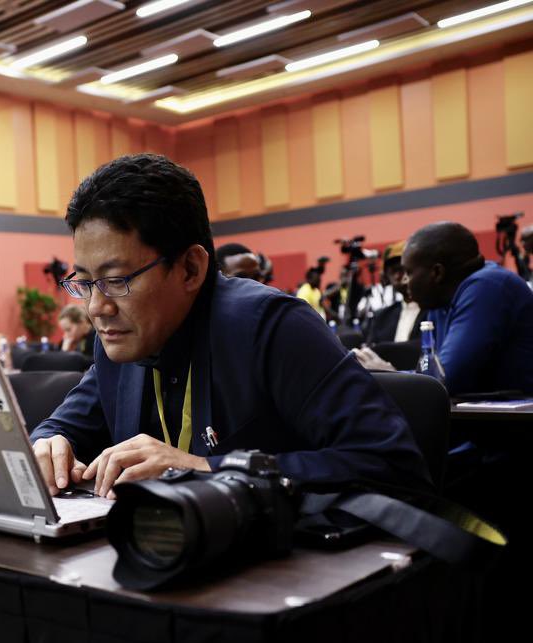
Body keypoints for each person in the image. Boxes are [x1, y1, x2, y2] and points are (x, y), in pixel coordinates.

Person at [28, 154, 429, 499]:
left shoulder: (272, 327)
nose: (97, 307)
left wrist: (207, 468)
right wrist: (49, 445)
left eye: (117, 280)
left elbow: (392, 464)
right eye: (84, 282)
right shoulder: (119, 340)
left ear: (190, 268)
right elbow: (59, 428)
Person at [354, 222, 533, 396]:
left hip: (516, 422)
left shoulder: (488, 286)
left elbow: (445, 380)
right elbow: (432, 374)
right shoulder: (439, 300)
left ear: (437, 273)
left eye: (409, 272)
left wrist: (391, 374)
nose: (404, 281)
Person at [361, 241, 425, 345]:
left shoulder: (436, 311)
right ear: (386, 277)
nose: (403, 276)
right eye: (395, 270)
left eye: (407, 269)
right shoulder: (381, 317)